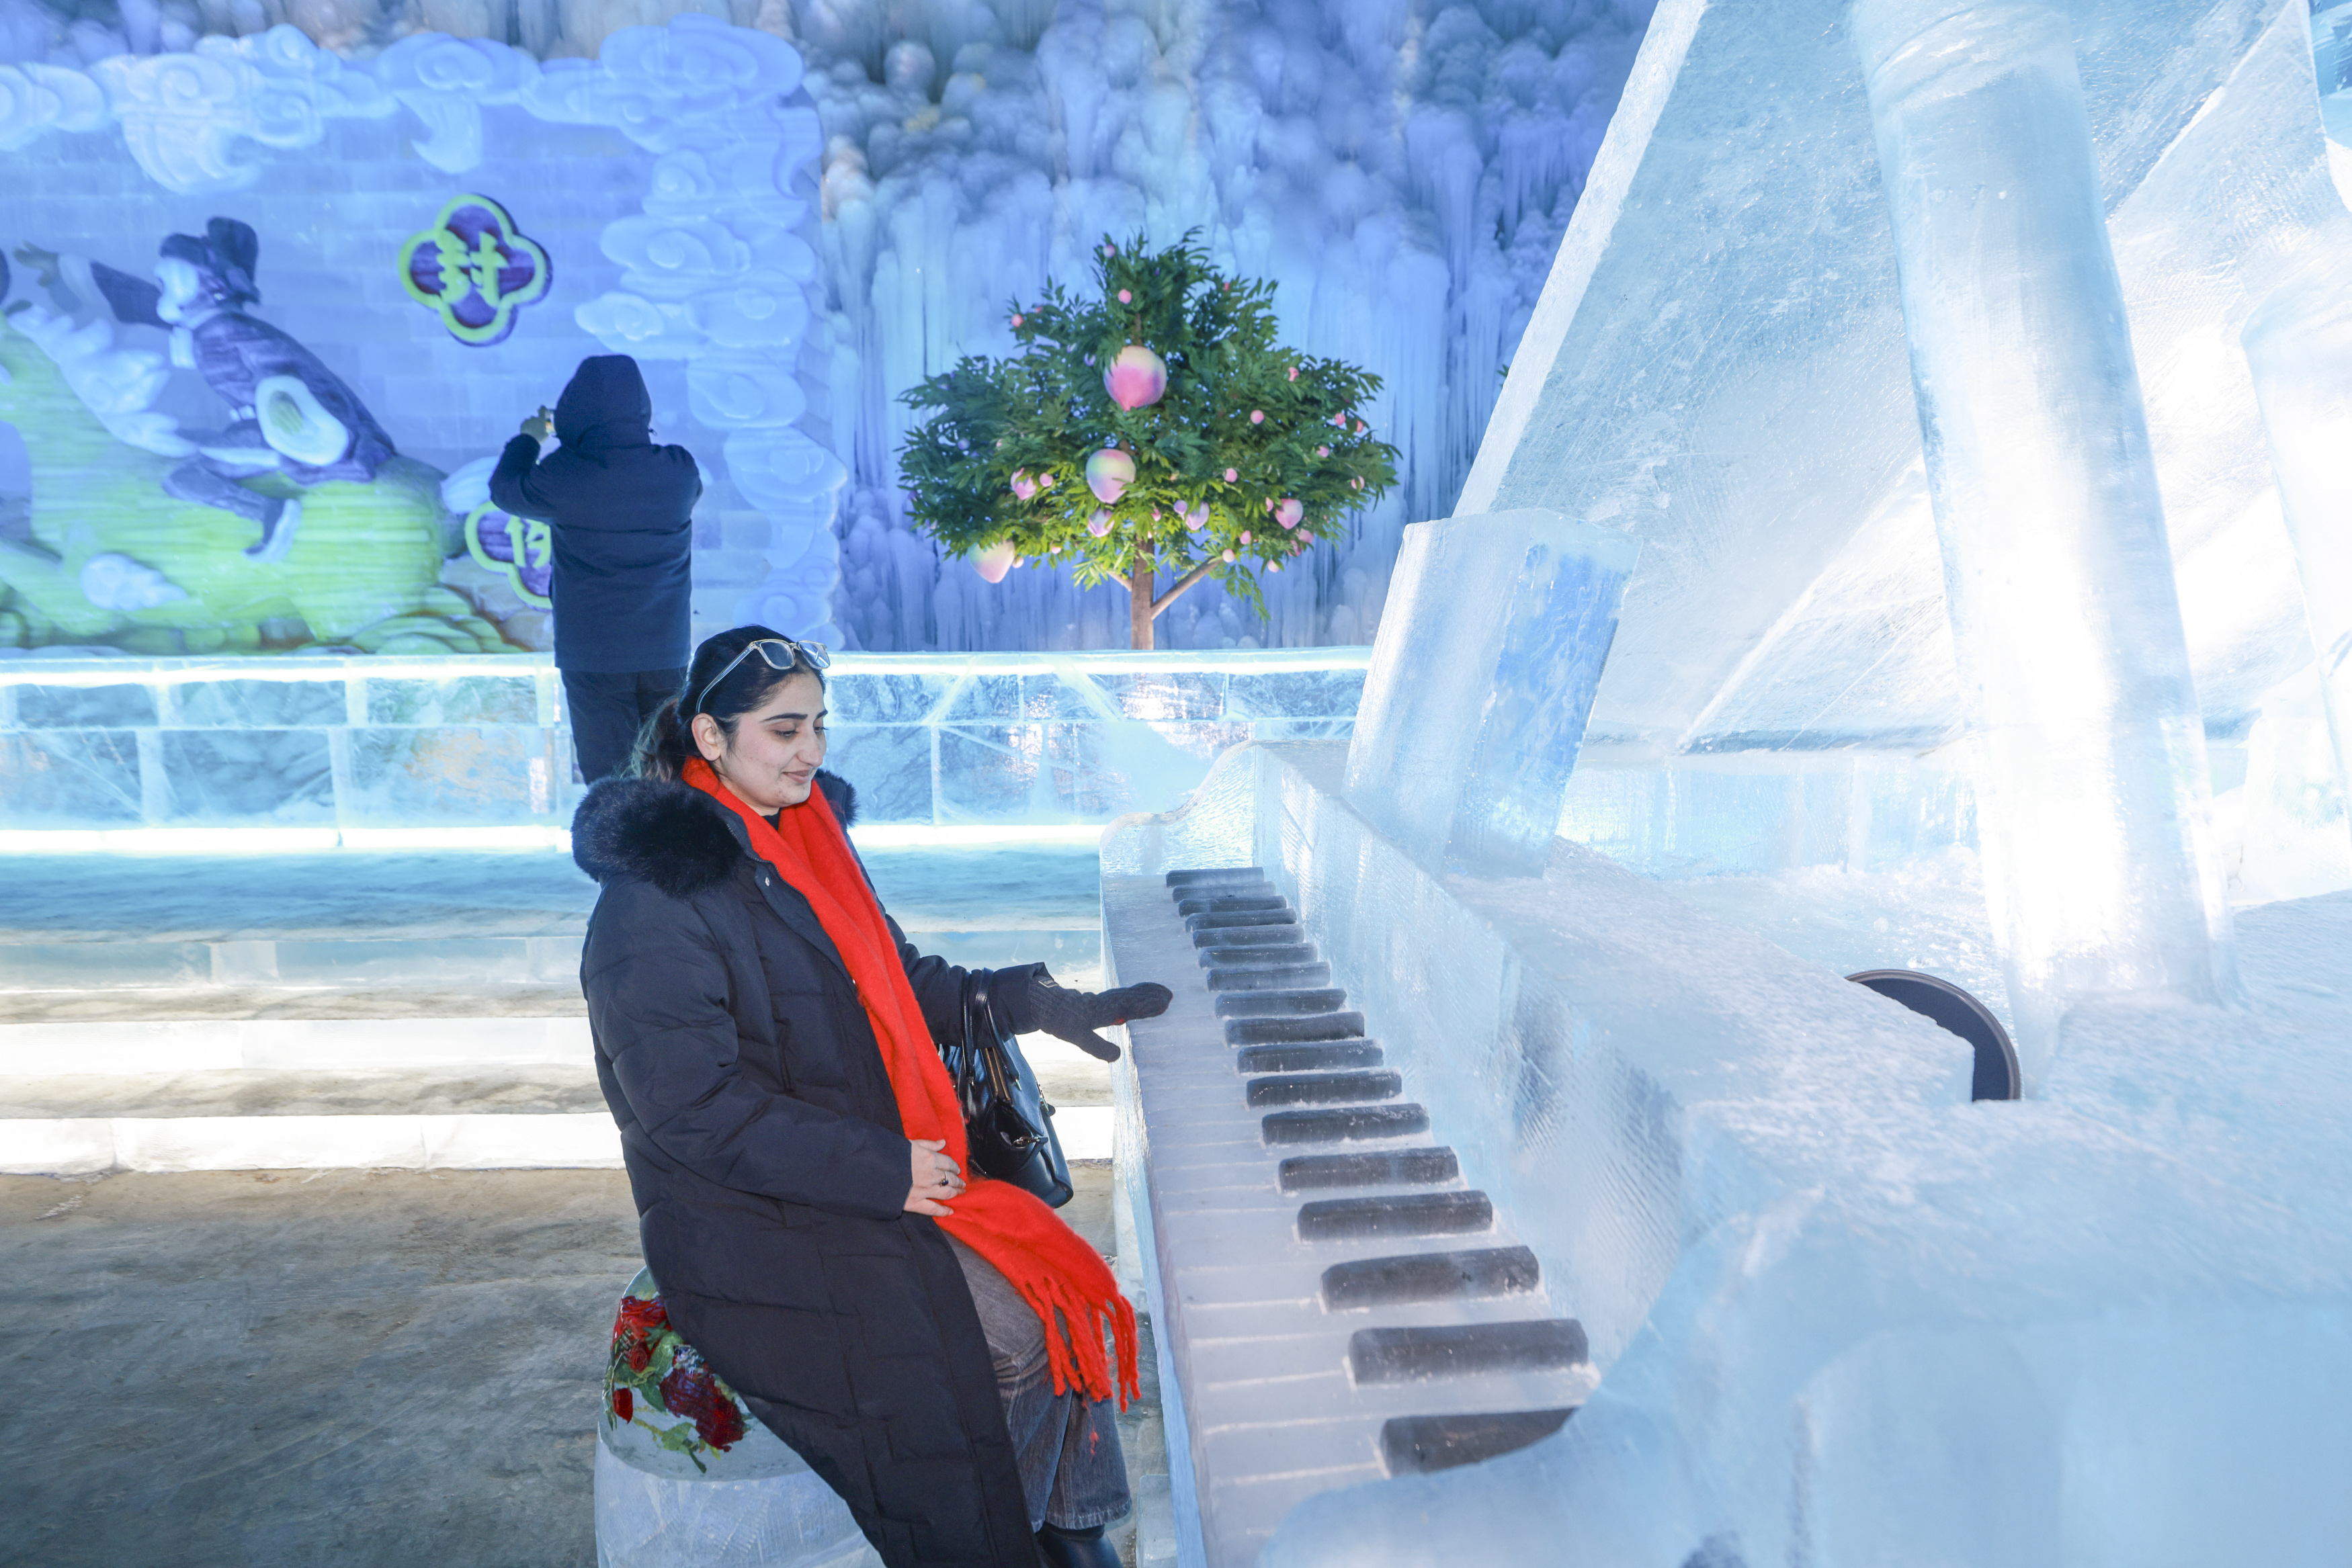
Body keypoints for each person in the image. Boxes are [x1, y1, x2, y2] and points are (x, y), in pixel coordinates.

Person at [571, 626, 1173, 1568]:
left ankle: (1071, 1530)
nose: (810, 750)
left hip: (860, 1166)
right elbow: (692, 1111)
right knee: (1012, 1341)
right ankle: (1009, 1541)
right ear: (712, 737)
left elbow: (899, 976)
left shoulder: (803, 845)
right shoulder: (656, 899)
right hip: (752, 1213)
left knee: (1058, 1297)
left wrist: (1037, 1002)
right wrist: (887, 1168)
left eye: (817, 725)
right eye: (783, 729)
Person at [493, 353, 700, 783]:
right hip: (666, 647)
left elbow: (506, 490)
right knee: (672, 773)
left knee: (612, 781)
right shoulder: (678, 469)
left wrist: (532, 437)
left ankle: (620, 851)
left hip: (594, 653)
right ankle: (677, 850)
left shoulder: (566, 474)